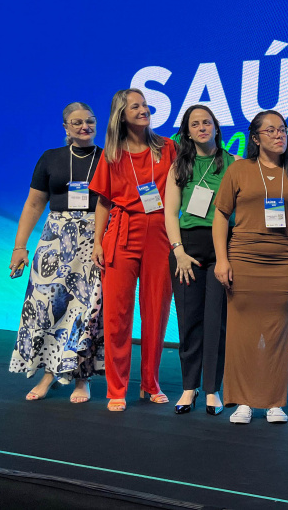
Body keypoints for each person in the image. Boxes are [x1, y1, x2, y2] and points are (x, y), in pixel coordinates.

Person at [212, 110, 288, 425]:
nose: (279, 135)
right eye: (270, 130)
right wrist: (222, 259)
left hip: (285, 262)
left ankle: (273, 401)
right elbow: (220, 216)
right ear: (255, 138)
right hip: (243, 259)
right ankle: (243, 401)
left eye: (282, 129)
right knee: (242, 334)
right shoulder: (239, 170)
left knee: (277, 333)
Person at [9, 102, 104, 403]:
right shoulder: (50, 158)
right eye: (77, 122)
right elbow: (34, 203)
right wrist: (20, 247)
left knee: (86, 312)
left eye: (90, 121)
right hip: (54, 242)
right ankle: (49, 374)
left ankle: (82, 379)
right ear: (65, 127)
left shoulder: (107, 159)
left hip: (93, 240)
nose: (85, 126)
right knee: (48, 307)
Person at [90, 88, 176, 412]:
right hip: (122, 233)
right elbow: (103, 202)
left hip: (160, 233)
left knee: (156, 312)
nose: (143, 110)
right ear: (121, 115)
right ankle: (117, 388)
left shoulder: (167, 147)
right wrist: (97, 242)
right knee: (117, 316)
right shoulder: (112, 154)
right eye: (135, 106)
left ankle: (150, 383)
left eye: (145, 105)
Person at [164, 104, 235, 415]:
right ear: (187, 132)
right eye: (195, 124)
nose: (202, 128)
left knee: (217, 323)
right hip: (187, 249)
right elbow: (170, 213)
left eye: (207, 122)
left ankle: (212, 388)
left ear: (216, 127)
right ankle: (189, 387)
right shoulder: (179, 166)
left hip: (223, 247)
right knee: (189, 320)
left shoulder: (233, 163)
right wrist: (178, 251)